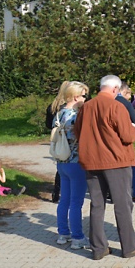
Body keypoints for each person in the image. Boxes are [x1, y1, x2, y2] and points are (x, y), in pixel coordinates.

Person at [75, 75, 135, 260]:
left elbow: (77, 131)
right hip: (116, 161)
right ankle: (129, 246)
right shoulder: (117, 106)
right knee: (122, 204)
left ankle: (98, 248)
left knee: (97, 204)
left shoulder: (86, 107)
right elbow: (127, 135)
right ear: (115, 89)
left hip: (91, 161)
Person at [54, 81, 90, 249]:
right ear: (76, 96)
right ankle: (77, 237)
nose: (85, 98)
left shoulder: (60, 113)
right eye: (84, 95)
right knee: (76, 202)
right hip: (76, 163)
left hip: (62, 161)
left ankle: (63, 233)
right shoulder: (76, 116)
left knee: (65, 200)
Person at [46, 81, 71, 203]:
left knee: (59, 165)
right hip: (68, 138)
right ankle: (65, 192)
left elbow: (47, 124)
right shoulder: (68, 107)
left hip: (56, 138)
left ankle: (56, 192)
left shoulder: (53, 105)